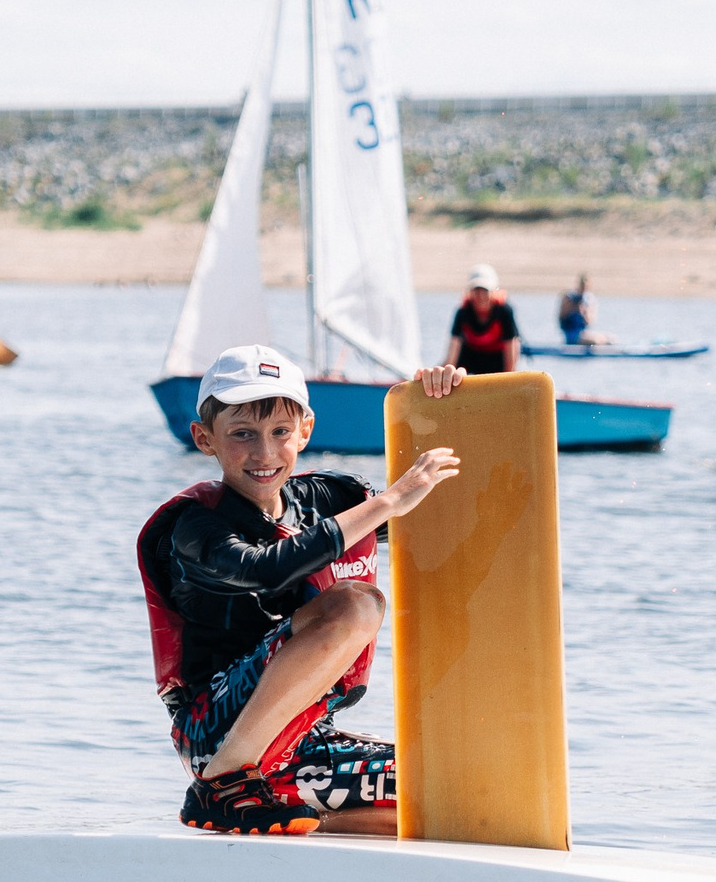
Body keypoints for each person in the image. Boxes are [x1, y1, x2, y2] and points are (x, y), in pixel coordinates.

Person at [141, 344, 465, 837]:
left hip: (302, 739)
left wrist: (442, 410)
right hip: (215, 734)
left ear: (306, 431)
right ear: (204, 439)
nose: (264, 453)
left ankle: (282, 811)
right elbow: (266, 569)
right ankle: (224, 785)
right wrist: (393, 498)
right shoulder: (196, 527)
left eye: (280, 433)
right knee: (357, 604)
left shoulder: (329, 498)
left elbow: (436, 513)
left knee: (450, 786)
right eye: (242, 435)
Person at [444, 265, 521, 374]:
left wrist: (508, 377)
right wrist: (447, 372)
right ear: (470, 292)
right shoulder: (463, 311)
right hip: (471, 359)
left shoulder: (504, 311)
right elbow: (453, 348)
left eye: (484, 291)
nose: (480, 296)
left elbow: (511, 347)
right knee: (444, 369)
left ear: (493, 292)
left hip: (496, 360)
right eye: (476, 291)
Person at [557, 273, 603, 345]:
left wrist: (584, 311)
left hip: (583, 333)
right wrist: (574, 308)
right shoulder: (569, 297)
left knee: (610, 339)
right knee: (595, 341)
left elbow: (589, 321)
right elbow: (561, 317)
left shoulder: (589, 299)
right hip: (571, 335)